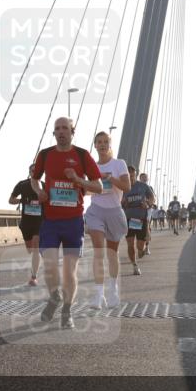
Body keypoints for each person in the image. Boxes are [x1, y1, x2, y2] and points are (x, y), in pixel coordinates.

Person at [31, 117, 103, 328]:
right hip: (50, 221)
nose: (61, 131)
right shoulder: (45, 155)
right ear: (54, 133)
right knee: (50, 265)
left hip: (73, 222)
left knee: (69, 270)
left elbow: (98, 187)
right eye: (57, 129)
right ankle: (55, 297)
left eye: (65, 128)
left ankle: (67, 311)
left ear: (73, 132)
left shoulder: (82, 155)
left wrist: (78, 180)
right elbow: (34, 179)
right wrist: (39, 191)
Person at [84, 131, 130, 308]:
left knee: (112, 253)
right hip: (96, 210)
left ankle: (113, 290)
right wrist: (89, 186)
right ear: (95, 145)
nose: (102, 145)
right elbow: (87, 191)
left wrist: (110, 178)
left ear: (110, 145)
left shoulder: (119, 164)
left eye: (105, 142)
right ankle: (98, 295)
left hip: (114, 212)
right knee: (98, 252)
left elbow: (126, 186)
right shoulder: (91, 167)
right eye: (99, 142)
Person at [9, 164, 43, 286]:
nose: (35, 172)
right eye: (33, 170)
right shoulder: (22, 185)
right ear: (29, 172)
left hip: (39, 221)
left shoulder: (45, 186)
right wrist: (21, 200)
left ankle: (34, 277)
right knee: (30, 250)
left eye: (37, 170)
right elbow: (11, 200)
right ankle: (36, 260)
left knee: (36, 248)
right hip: (26, 222)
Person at [122, 166, 155, 275]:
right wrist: (122, 203)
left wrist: (148, 204)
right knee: (130, 244)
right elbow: (117, 201)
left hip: (140, 219)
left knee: (140, 247)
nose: (131, 178)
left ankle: (142, 250)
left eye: (132, 176)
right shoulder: (123, 187)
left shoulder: (143, 186)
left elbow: (152, 198)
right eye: (128, 176)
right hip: (128, 218)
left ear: (135, 175)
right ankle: (134, 266)